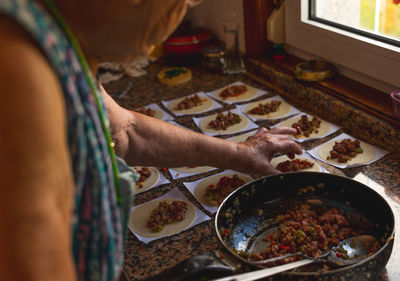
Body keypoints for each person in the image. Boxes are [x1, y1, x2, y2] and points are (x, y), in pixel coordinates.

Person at [0, 0, 302, 281]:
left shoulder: (55, 38)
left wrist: (240, 153)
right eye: (179, 4)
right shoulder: (18, 65)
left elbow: (124, 131)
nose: (175, 21)